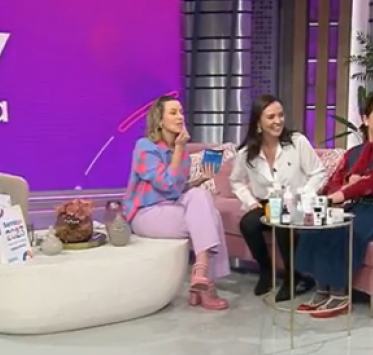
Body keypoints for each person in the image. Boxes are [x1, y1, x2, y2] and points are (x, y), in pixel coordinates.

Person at [295, 93, 373, 318]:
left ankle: (340, 294)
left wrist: (343, 192)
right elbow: (336, 182)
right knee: (317, 226)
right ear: (366, 119)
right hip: (357, 207)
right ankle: (322, 288)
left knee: (343, 230)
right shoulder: (354, 153)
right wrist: (337, 194)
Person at [122, 95, 230, 310]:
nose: (180, 117)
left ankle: (200, 272)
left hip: (170, 209)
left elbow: (177, 189)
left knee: (201, 197)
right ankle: (206, 285)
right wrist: (180, 149)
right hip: (146, 214)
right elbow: (166, 184)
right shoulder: (145, 147)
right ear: (160, 121)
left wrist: (199, 180)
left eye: (181, 112)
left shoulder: (183, 153)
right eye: (173, 113)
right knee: (212, 217)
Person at [229, 94, 326, 302]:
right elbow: (236, 181)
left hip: (296, 202)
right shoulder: (247, 153)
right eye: (271, 117)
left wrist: (305, 194)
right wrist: (251, 202)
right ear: (258, 122)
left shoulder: (297, 142)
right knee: (248, 223)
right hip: (267, 203)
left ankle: (293, 278)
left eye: (280, 115)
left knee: (284, 220)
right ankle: (266, 271)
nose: (278, 121)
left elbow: (318, 172)